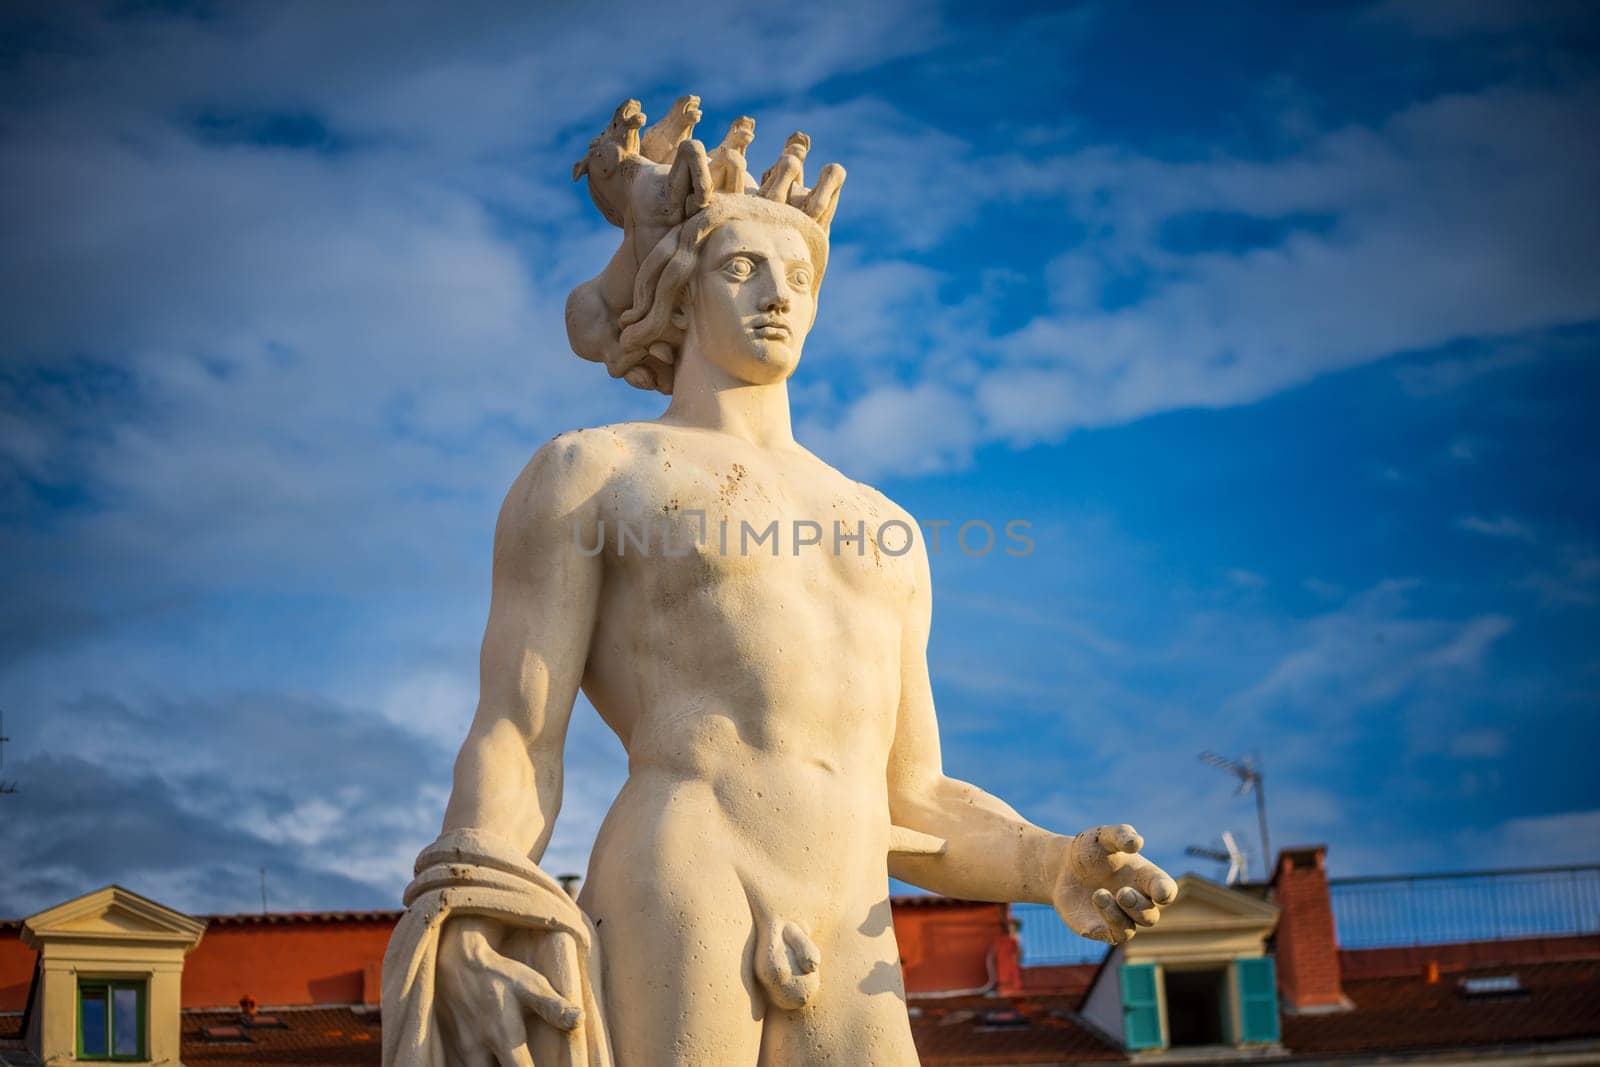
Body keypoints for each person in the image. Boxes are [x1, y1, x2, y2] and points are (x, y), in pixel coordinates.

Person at [384, 101, 1177, 1067]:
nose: (780, 296)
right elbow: (518, 728)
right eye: (743, 267)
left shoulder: (886, 530)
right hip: (685, 865)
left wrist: (1047, 860)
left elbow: (913, 793)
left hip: (855, 909)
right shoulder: (595, 473)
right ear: (681, 293)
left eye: (801, 277)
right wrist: (476, 900)